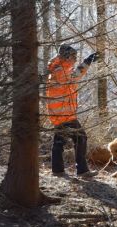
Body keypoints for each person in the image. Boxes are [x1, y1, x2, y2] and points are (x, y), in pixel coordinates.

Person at [46, 44, 99, 178]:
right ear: (66, 57)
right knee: (81, 138)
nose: (75, 60)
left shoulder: (58, 69)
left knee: (59, 142)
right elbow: (75, 76)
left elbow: (74, 75)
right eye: (73, 57)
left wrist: (87, 61)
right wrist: (87, 62)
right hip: (65, 115)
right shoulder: (60, 72)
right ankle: (82, 170)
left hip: (58, 115)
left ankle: (57, 170)